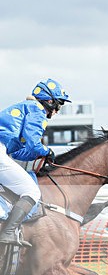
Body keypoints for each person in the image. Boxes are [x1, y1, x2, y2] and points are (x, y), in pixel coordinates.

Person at [0, 78, 70, 246]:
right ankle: (8, 233)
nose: (58, 110)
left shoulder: (26, 109)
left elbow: (19, 152)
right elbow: (33, 141)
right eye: (58, 104)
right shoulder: (36, 109)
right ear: (50, 101)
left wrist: (38, 156)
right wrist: (47, 151)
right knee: (31, 191)